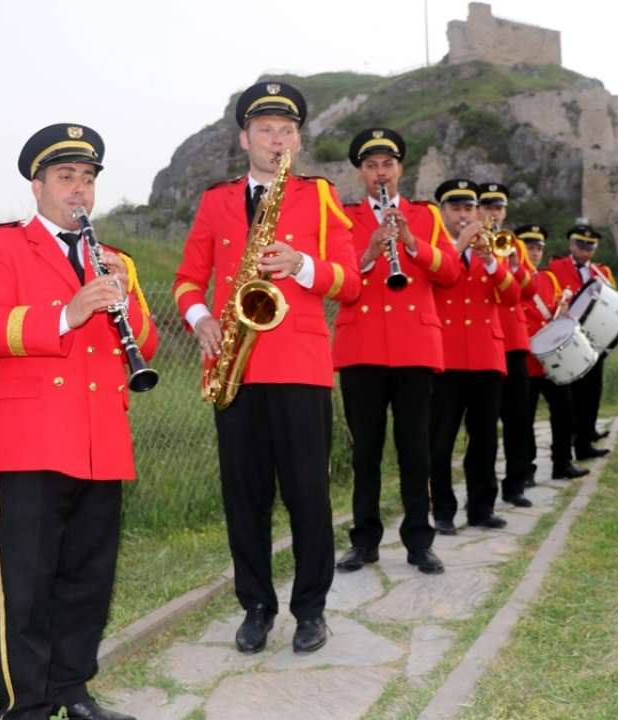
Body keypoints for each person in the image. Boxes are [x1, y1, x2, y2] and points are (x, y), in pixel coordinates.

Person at [0, 123, 157, 720]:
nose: (79, 190)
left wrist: (125, 301)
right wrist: (68, 312)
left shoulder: (114, 259)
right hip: (28, 443)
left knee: (87, 583)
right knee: (26, 590)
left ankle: (74, 692)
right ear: (37, 184)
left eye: (88, 179)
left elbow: (143, 345)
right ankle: (26, 709)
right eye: (66, 177)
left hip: (100, 440)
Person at [172, 81, 360, 655]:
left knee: (307, 495)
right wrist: (201, 317)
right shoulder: (214, 201)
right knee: (244, 497)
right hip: (235, 368)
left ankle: (310, 610)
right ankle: (256, 606)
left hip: (301, 366)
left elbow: (350, 284)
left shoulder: (320, 197)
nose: (276, 140)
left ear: (298, 139)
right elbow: (186, 280)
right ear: (244, 139)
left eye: (286, 131)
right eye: (265, 131)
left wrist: (303, 265)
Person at [332, 128, 460, 576]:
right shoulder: (344, 217)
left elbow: (452, 273)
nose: (380, 173)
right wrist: (369, 253)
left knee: (415, 451)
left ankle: (418, 542)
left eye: (387, 165)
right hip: (361, 347)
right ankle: (364, 541)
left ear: (400, 169)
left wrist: (411, 244)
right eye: (371, 166)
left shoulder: (424, 215)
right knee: (364, 452)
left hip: (414, 348)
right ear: (361, 173)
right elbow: (337, 281)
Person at [429, 179, 520, 535]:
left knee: (484, 439)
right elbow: (435, 279)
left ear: (477, 212)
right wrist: (456, 247)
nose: (463, 214)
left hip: (485, 355)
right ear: (445, 213)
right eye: (456, 208)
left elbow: (512, 298)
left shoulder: (493, 250)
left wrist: (492, 262)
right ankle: (443, 511)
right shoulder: (436, 248)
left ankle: (482, 508)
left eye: (469, 208)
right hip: (446, 357)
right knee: (440, 440)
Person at [476, 183, 537, 507]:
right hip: (482, 337)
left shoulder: (514, 244)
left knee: (517, 417)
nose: (493, 212)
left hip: (511, 339)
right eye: (487, 207)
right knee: (483, 422)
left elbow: (529, 289)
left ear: (505, 211)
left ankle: (516, 484)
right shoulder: (472, 241)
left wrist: (513, 264)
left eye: (498, 207)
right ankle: (482, 491)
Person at [517, 225, 589, 482]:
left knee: (563, 410)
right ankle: (526, 467)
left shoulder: (548, 278)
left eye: (538, 249)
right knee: (525, 416)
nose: (534, 253)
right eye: (529, 248)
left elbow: (558, 309)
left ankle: (562, 462)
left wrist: (564, 308)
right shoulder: (512, 275)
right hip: (526, 358)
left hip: (551, 361)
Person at [546, 223, 615, 460]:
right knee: (571, 395)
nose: (586, 252)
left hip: (594, 339)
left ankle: (585, 442)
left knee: (591, 393)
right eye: (581, 246)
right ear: (571, 244)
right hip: (569, 339)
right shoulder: (555, 266)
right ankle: (571, 439)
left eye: (590, 247)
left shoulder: (602, 272)